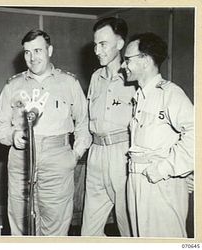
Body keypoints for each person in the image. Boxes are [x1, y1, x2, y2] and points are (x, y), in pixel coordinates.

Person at [0, 29, 91, 236]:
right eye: (27, 52)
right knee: (20, 220)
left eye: (37, 51)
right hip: (21, 159)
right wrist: (12, 136)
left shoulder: (69, 83)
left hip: (58, 158)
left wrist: (75, 155)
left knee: (55, 222)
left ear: (50, 51)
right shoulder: (13, 85)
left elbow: (83, 123)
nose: (32, 58)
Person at [121, 32, 194, 237]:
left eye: (127, 60)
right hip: (137, 180)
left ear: (145, 60)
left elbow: (197, 134)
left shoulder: (170, 93)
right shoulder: (141, 96)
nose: (123, 65)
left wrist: (165, 168)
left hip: (160, 182)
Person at [81, 17, 134, 236]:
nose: (97, 50)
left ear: (120, 44)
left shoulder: (134, 77)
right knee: (88, 233)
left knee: (128, 227)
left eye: (103, 44)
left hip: (122, 156)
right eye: (95, 44)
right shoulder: (96, 77)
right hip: (96, 155)